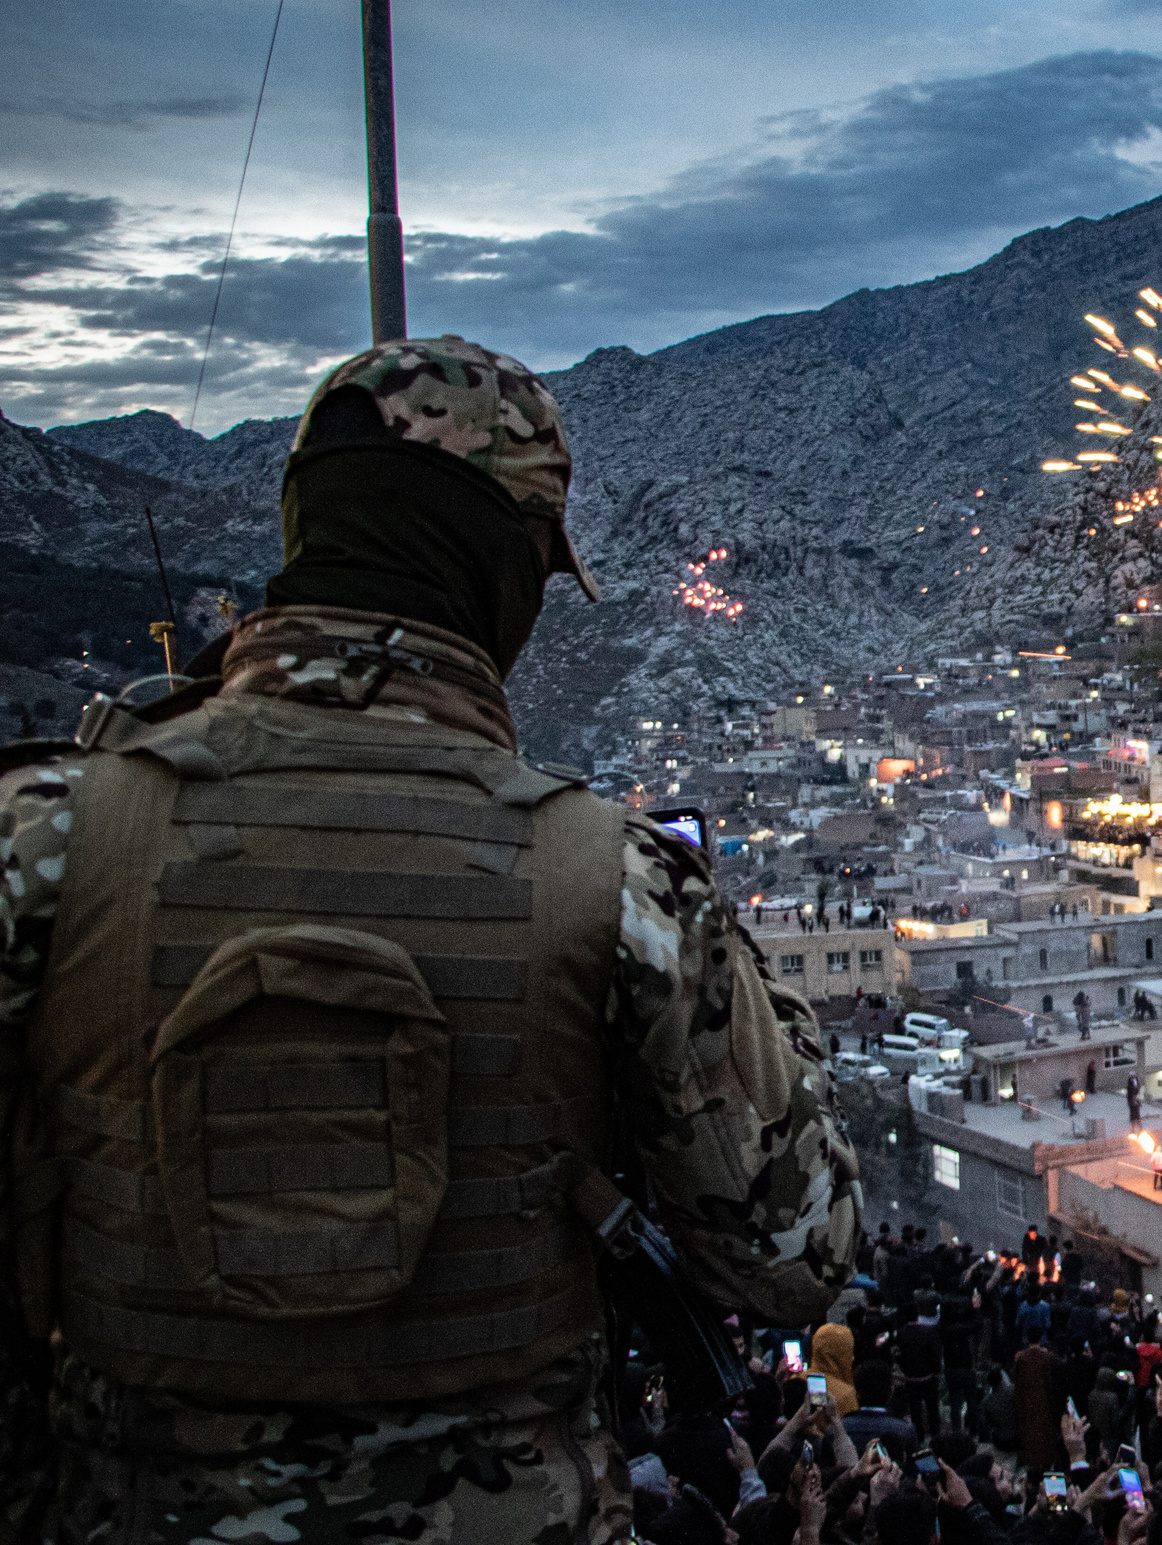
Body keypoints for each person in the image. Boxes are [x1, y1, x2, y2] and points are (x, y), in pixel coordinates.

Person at [0, 336, 862, 1541]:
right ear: (502, 567)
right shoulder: (611, 882)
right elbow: (794, 1255)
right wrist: (745, 978)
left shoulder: (51, 840)